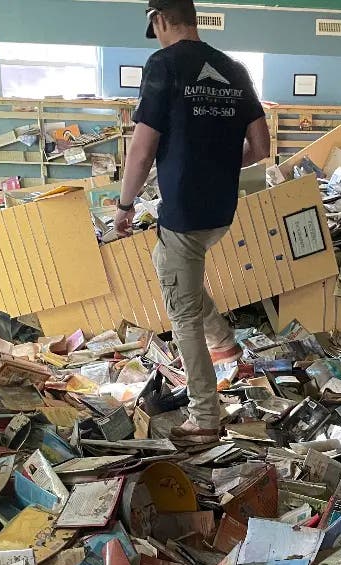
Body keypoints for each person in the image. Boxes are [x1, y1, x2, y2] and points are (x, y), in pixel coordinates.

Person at [113, 0, 271, 446]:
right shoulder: (234, 69)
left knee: (180, 312)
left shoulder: (164, 65)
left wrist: (124, 206)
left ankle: (205, 416)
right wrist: (221, 167)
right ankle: (224, 342)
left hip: (183, 211)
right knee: (172, 269)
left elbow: (142, 151)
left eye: (156, 29)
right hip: (220, 211)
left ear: (159, 19)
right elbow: (261, 148)